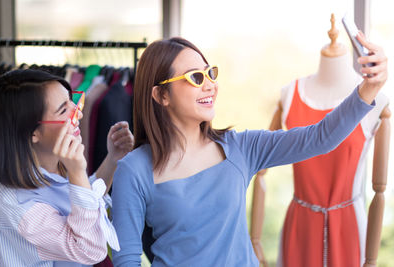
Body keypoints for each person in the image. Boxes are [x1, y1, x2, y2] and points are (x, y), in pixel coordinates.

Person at [111, 33, 387, 266]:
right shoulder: (134, 170)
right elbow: (127, 260)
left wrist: (369, 88)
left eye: (210, 73)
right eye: (195, 77)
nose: (210, 84)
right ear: (161, 95)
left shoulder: (240, 148)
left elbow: (320, 137)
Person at [250, 15, 390, 267]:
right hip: (299, 225)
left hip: (349, 227)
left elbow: (379, 189)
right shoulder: (289, 94)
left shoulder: (377, 101)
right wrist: (255, 242)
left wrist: (370, 261)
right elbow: (261, 171)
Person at [0, 69, 134, 266]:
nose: (79, 112)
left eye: (72, 101)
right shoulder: (16, 202)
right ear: (33, 133)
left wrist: (113, 158)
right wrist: (77, 172)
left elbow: (85, 200)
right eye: (63, 110)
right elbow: (90, 249)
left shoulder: (53, 164)